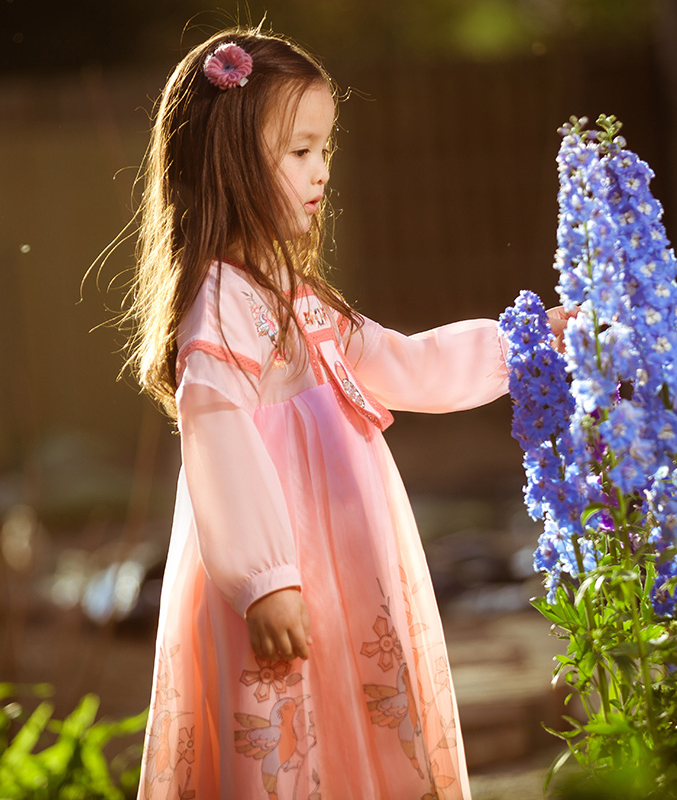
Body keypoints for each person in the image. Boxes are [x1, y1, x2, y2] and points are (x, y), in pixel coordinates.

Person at [124, 25, 567, 800]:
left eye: (324, 150)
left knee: (348, 729)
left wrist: (526, 344)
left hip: (339, 577)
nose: (321, 170)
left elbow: (403, 363)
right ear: (228, 159)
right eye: (300, 152)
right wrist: (265, 580)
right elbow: (217, 441)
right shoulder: (221, 307)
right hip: (281, 581)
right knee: (286, 736)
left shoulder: (299, 299)